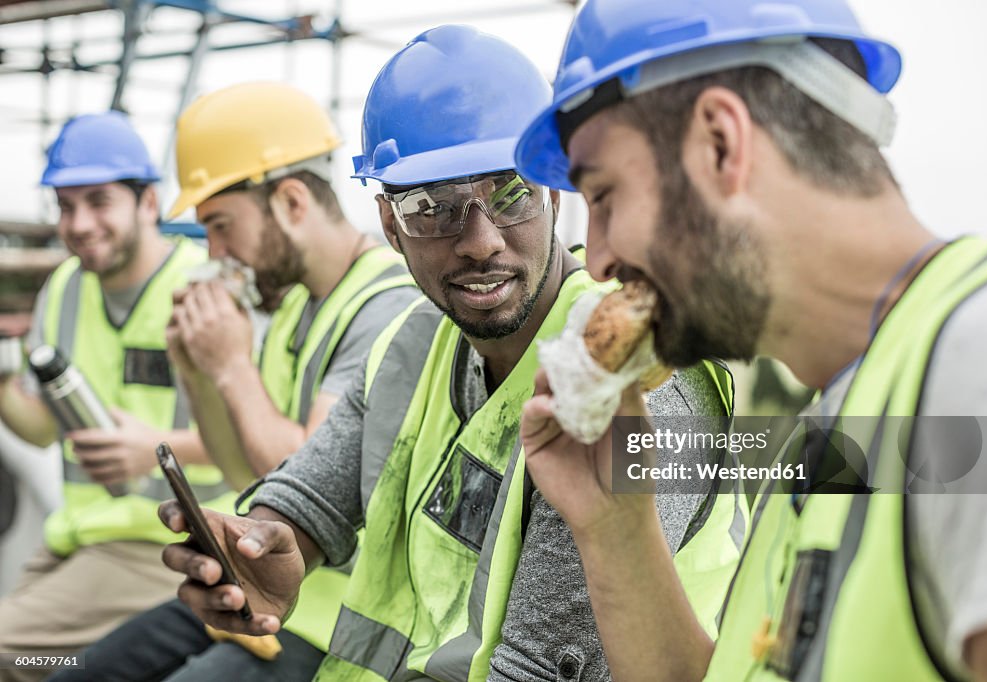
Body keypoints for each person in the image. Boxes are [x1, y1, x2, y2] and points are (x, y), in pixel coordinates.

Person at [156, 25, 744, 682]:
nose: (480, 240)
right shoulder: (411, 348)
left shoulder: (639, 386)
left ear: (551, 195)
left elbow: (539, 667)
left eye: (510, 192)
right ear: (389, 226)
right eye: (433, 207)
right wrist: (268, 543)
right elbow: (306, 499)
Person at [513, 0, 987, 680]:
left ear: (721, 142)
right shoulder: (836, 416)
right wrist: (616, 527)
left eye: (603, 196)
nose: (598, 258)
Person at [49, 83, 419, 681]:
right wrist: (196, 369)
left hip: (331, 621)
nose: (215, 251)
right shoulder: (297, 306)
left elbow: (310, 489)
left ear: (293, 202)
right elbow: (241, 473)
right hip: (260, 594)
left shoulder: (386, 307)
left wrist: (231, 366)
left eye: (221, 226)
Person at [0, 111, 235, 682]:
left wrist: (154, 447)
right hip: (79, 537)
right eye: (65, 205)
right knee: (29, 661)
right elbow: (40, 429)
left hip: (172, 538)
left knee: (12, 656)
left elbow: (274, 437)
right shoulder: (63, 290)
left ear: (148, 204)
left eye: (99, 201)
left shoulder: (208, 287)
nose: (78, 223)